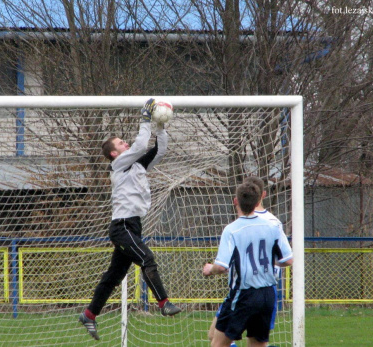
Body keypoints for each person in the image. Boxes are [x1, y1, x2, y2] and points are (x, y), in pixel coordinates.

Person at [79, 98, 181, 341]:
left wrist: (160, 127)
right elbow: (138, 146)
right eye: (121, 143)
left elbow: (160, 150)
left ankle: (89, 315)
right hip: (122, 227)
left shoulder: (136, 166)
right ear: (115, 153)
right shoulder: (118, 165)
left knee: (113, 276)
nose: (126, 143)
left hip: (133, 226)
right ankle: (164, 303)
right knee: (147, 258)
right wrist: (145, 120)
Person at [203, 182, 293, 347]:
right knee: (257, 344)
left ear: (235, 201)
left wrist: (210, 269)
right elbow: (287, 260)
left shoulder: (232, 230)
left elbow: (222, 266)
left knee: (217, 344)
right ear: (258, 200)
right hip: (267, 295)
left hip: (243, 294)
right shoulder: (272, 226)